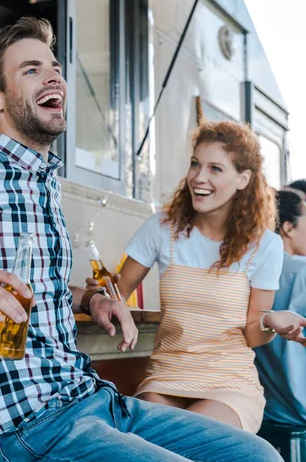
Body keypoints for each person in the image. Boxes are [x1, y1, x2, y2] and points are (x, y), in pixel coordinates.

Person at [0, 18, 285, 462]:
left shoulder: (43, 185)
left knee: (260, 460)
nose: (54, 77)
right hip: (26, 432)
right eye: (31, 70)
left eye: (55, 67)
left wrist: (90, 299)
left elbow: (38, 291)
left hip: (94, 400)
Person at [108, 121, 306, 434]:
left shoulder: (264, 244)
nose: (199, 177)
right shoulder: (161, 227)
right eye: (195, 164)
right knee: (144, 437)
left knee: (182, 438)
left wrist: (271, 321)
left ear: (243, 179)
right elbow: (115, 292)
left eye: (215, 168)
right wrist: (108, 302)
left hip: (229, 385)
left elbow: (254, 334)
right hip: (166, 376)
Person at [255, 190, 306, 428]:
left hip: (266, 406)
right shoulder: (301, 272)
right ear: (287, 227)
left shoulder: (251, 267)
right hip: (299, 405)